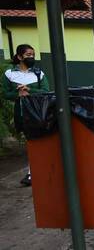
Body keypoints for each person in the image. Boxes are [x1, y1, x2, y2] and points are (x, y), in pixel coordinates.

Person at [1, 44, 50, 186]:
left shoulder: (38, 73)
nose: (31, 57)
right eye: (28, 55)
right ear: (19, 57)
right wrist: (18, 94)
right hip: (21, 112)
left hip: (37, 112)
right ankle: (32, 171)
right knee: (28, 141)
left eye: (33, 55)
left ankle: (32, 172)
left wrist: (29, 91)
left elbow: (46, 91)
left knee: (36, 141)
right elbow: (5, 94)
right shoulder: (10, 74)